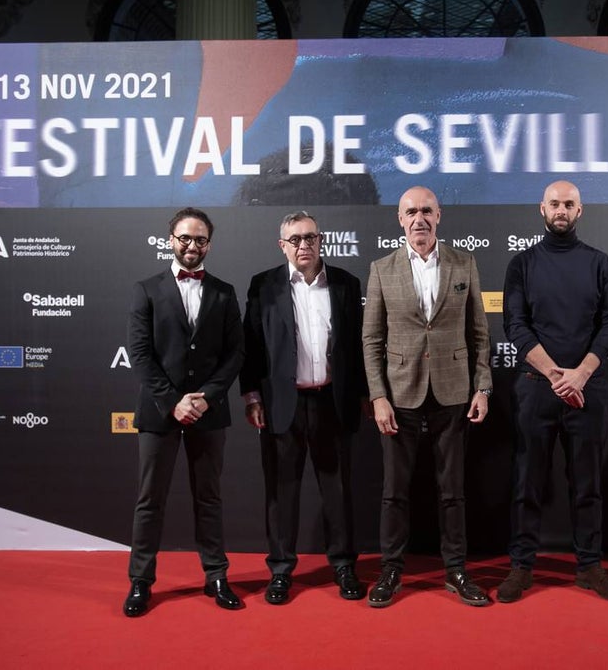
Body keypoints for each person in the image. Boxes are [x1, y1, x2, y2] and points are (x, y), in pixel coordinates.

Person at [497, 180, 608, 603]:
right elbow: (515, 325)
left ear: (579, 210)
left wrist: (581, 375)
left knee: (587, 484)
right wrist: (557, 376)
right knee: (527, 482)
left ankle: (589, 567)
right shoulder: (522, 264)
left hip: (588, 390)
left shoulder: (600, 263)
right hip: (537, 390)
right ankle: (522, 567)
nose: (561, 210)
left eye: (568, 204)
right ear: (542, 209)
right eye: (554, 203)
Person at [362, 186, 493, 608]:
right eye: (411, 212)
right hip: (399, 395)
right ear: (400, 220)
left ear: (439, 216)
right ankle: (391, 571)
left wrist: (482, 386)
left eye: (426, 211)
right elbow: (371, 340)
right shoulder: (382, 269)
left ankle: (456, 569)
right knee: (394, 492)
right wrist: (378, 396)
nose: (419, 219)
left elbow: (479, 333)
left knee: (452, 491)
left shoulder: (464, 263)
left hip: (454, 393)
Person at [240, 211, 368, 605]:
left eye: (309, 237)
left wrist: (365, 395)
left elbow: (359, 348)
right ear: (283, 246)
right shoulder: (264, 286)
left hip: (333, 401)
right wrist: (251, 396)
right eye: (294, 239)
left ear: (321, 240)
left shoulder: (346, 284)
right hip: (283, 404)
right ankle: (280, 570)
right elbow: (251, 347)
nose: (303, 245)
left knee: (339, 490)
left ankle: (344, 566)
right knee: (281, 492)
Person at [123, 207, 245, 617]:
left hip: (209, 413)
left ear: (209, 243)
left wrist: (206, 397)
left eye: (200, 239)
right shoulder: (146, 289)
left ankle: (216, 576)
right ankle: (141, 581)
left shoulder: (225, 292)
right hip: (160, 412)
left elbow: (235, 354)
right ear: (170, 240)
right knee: (149, 500)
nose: (192, 246)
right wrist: (172, 400)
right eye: (184, 238)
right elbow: (140, 355)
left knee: (208, 498)